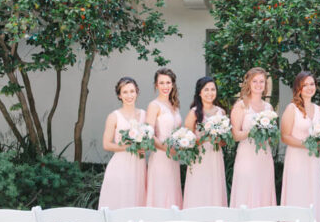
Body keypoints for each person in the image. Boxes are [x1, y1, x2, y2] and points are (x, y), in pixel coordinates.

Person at [280, 71, 320, 222]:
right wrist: (306, 145)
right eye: (305, 85)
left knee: (314, 195)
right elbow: (285, 136)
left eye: (312, 84)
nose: (309, 88)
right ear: (298, 88)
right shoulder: (291, 109)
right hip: (297, 159)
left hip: (314, 160)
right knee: (298, 195)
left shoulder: (319, 110)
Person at [230, 67, 277, 208]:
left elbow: (271, 138)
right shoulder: (241, 106)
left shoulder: (269, 108)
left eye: (261, 81)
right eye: (255, 81)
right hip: (247, 156)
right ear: (249, 83)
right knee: (246, 189)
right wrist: (252, 131)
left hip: (264, 156)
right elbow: (235, 135)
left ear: (265, 85)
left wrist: (268, 133)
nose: (258, 84)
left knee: (264, 189)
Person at [98, 77, 148, 209]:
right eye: (125, 92)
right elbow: (106, 144)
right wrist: (129, 147)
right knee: (120, 202)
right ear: (119, 95)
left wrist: (144, 147)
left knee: (137, 202)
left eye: (132, 91)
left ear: (137, 92)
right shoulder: (114, 116)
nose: (129, 95)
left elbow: (148, 139)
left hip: (139, 165)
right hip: (120, 166)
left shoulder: (144, 115)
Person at [182, 76, 229, 208]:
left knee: (215, 188)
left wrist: (219, 139)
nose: (210, 93)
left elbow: (225, 142)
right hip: (199, 158)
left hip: (215, 157)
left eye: (213, 89)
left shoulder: (221, 112)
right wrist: (205, 138)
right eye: (206, 89)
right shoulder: (194, 113)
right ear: (200, 92)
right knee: (199, 189)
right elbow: (187, 141)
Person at [145, 68, 183, 209]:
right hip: (161, 155)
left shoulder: (175, 105)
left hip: (174, 157)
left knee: (172, 191)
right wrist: (167, 149)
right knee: (161, 192)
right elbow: (149, 134)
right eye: (161, 83)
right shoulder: (154, 106)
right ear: (156, 85)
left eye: (168, 82)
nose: (165, 86)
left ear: (172, 84)